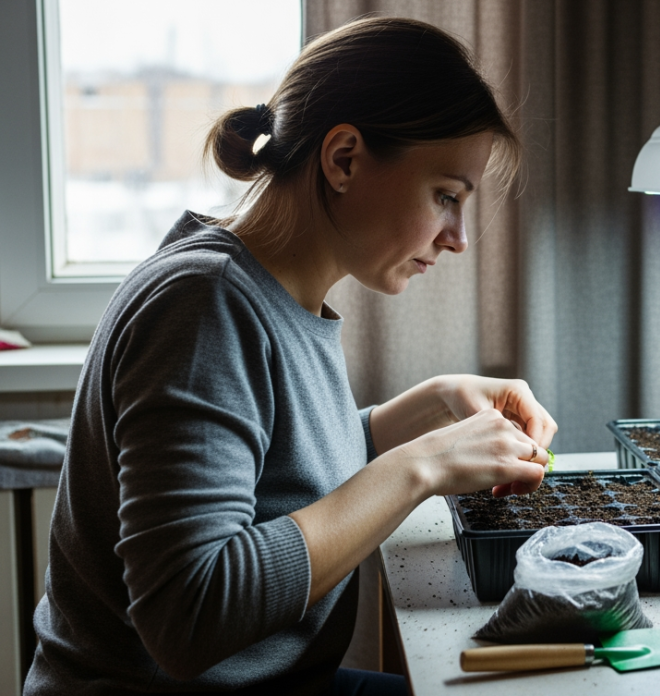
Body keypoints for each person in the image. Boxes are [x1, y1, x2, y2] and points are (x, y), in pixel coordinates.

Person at [25, 16, 557, 696]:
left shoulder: (259, 291)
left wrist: (430, 405)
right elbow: (189, 616)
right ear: (344, 159)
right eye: (445, 196)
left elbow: (276, 473)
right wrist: (421, 466)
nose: (457, 237)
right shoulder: (205, 307)